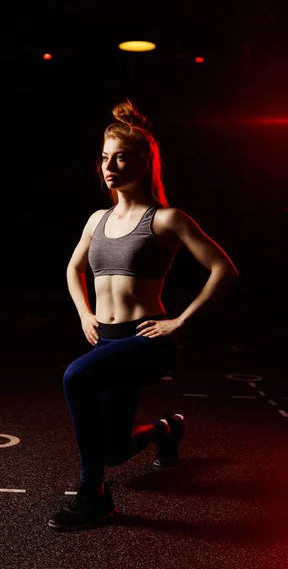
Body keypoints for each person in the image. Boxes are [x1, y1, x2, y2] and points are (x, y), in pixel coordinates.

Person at [48, 98, 239, 531]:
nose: (109, 166)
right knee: (115, 450)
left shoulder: (166, 220)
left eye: (120, 158)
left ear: (143, 161)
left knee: (75, 376)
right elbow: (73, 267)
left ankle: (93, 496)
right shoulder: (97, 219)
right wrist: (84, 313)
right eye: (103, 157)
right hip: (108, 339)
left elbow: (223, 270)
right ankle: (167, 430)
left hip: (147, 341)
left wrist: (180, 321)